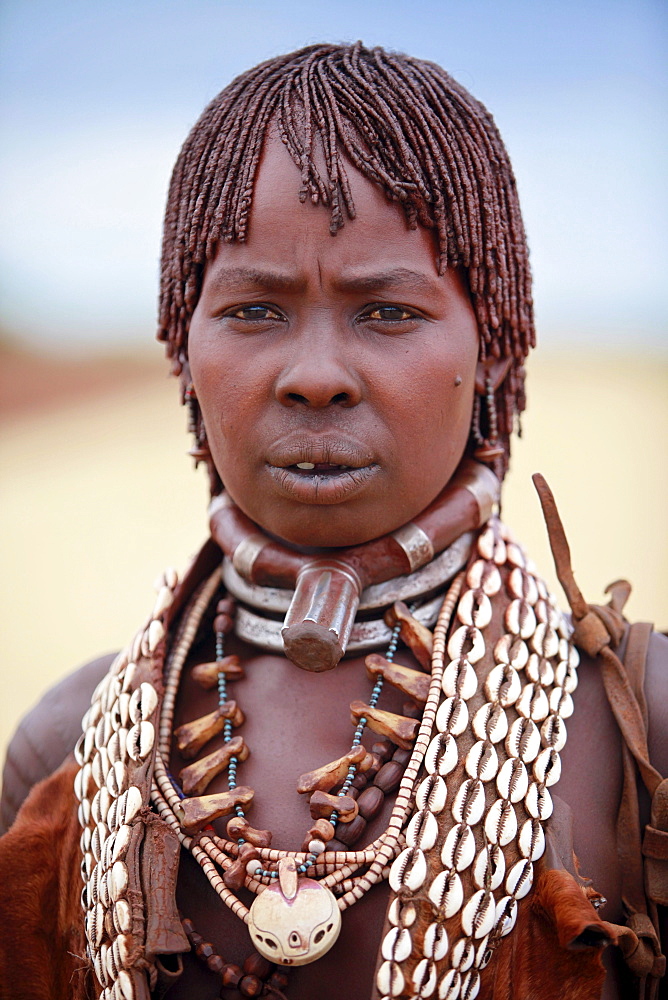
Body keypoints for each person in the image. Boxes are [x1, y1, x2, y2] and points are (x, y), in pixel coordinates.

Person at [0, 42, 665, 1000]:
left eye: (388, 312)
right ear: (183, 349)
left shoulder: (636, 736)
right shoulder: (68, 746)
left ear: (493, 344)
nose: (316, 373)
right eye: (256, 309)